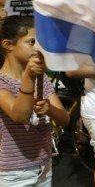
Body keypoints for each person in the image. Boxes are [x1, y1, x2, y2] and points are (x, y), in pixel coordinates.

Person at [0, 15, 70, 186]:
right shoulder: (3, 81)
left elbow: (65, 119)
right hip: (12, 172)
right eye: (31, 42)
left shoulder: (41, 77)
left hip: (43, 166)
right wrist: (29, 77)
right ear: (8, 45)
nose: (38, 47)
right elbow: (19, 116)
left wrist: (49, 109)